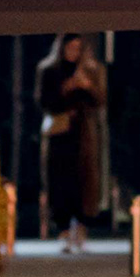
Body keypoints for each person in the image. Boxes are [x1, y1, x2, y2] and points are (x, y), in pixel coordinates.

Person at [36, 32, 110, 255]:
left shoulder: (92, 70)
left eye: (78, 48)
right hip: (60, 132)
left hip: (84, 134)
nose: (73, 53)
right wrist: (65, 88)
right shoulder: (49, 70)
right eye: (70, 48)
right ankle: (64, 230)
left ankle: (82, 228)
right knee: (60, 181)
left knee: (84, 181)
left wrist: (87, 86)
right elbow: (43, 101)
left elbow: (101, 101)